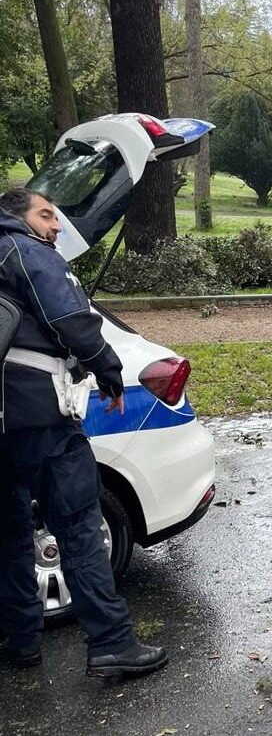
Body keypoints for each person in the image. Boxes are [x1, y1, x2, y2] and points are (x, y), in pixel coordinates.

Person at [0, 188, 167, 678]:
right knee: (78, 528)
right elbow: (71, 317)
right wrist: (109, 370)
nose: (56, 226)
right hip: (40, 418)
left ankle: (22, 640)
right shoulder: (25, 250)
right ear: (16, 217)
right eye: (46, 215)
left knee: (10, 534)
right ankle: (112, 644)